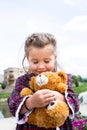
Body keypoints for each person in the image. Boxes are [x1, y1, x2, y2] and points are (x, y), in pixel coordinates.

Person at [8, 33, 79, 130]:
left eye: (46, 61)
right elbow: (13, 104)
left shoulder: (62, 78)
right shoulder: (23, 81)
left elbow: (75, 103)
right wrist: (31, 102)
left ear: (54, 59)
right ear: (28, 60)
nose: (41, 67)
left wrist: (60, 97)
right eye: (35, 62)